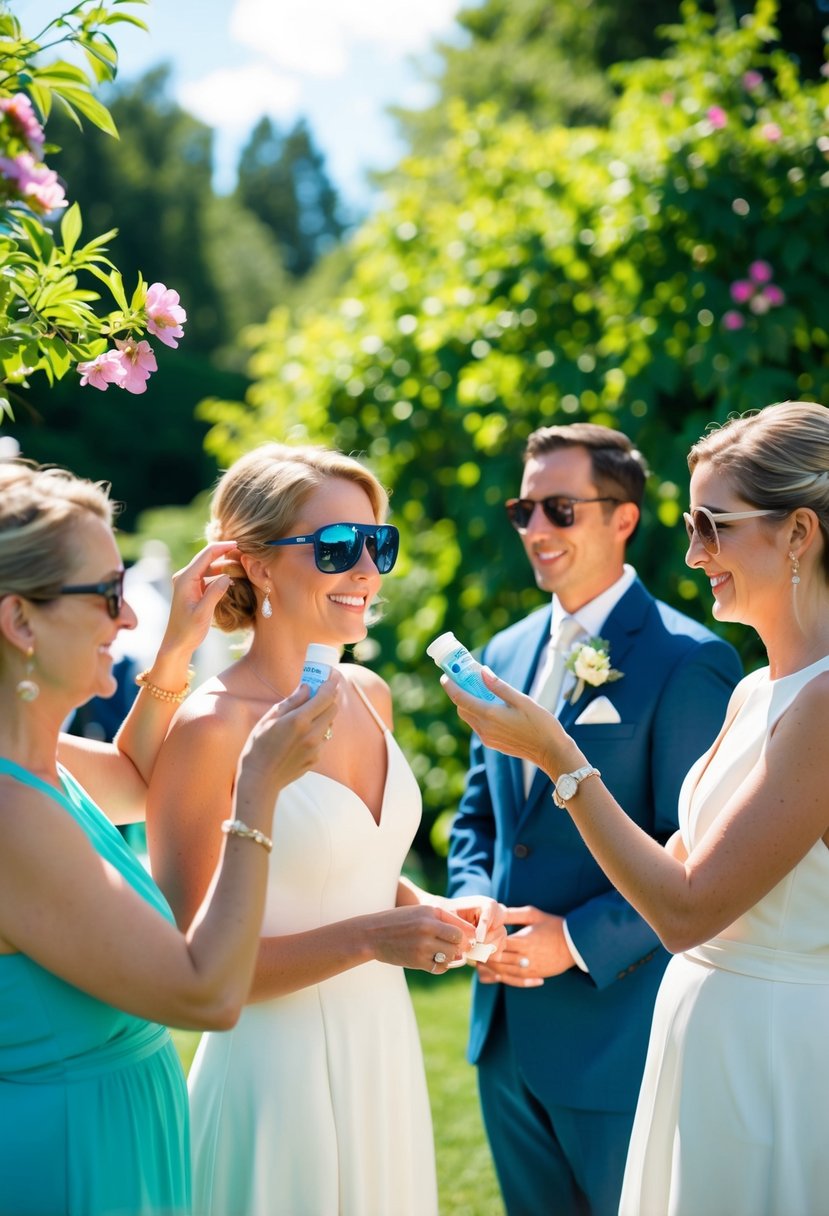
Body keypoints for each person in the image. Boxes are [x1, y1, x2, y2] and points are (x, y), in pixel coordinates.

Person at [442, 401, 829, 1216]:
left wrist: (558, 756)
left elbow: (686, 908)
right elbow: (679, 863)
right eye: (691, 525)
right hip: (702, 1047)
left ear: (799, 533)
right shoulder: (759, 690)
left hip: (776, 1058)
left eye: (713, 526)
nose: (691, 555)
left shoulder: (820, 706)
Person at [146, 443, 503, 1216]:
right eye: (339, 547)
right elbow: (186, 969)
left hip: (382, 1045)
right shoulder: (211, 727)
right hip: (275, 1077)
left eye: (379, 543)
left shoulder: (370, 694)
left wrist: (429, 906)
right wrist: (374, 939)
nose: (367, 570)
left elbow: (347, 868)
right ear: (259, 565)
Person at [0, 459, 339, 1216]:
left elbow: (132, 773)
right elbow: (205, 990)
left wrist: (178, 646)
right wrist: (254, 792)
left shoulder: (37, 761)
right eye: (107, 596)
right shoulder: (11, 816)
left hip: (113, 1134)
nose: (127, 618)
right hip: (65, 1160)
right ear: (21, 621)